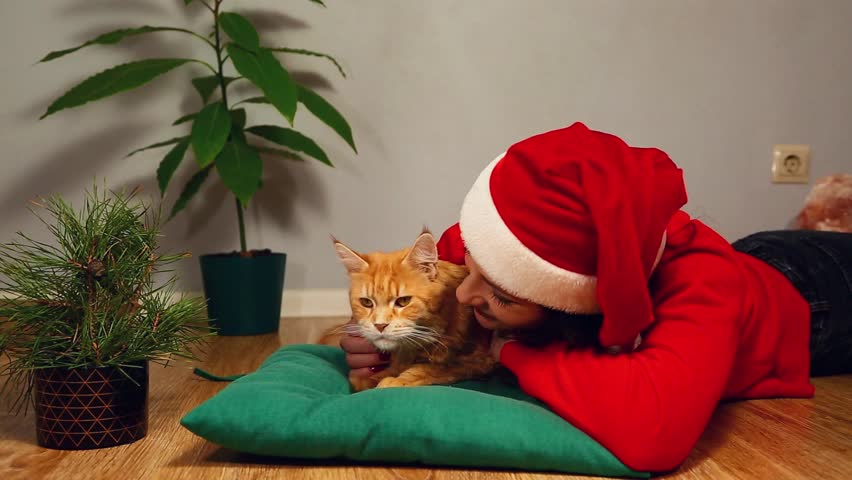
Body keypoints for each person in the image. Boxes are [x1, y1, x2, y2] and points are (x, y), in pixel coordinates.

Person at [340, 122, 852, 472]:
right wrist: (380, 336)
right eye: (471, 263)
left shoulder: (702, 283)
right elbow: (429, 279)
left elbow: (654, 433)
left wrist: (509, 351)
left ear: (570, 308)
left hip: (816, 297)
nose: (468, 290)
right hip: (761, 251)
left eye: (497, 296)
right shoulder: (505, 243)